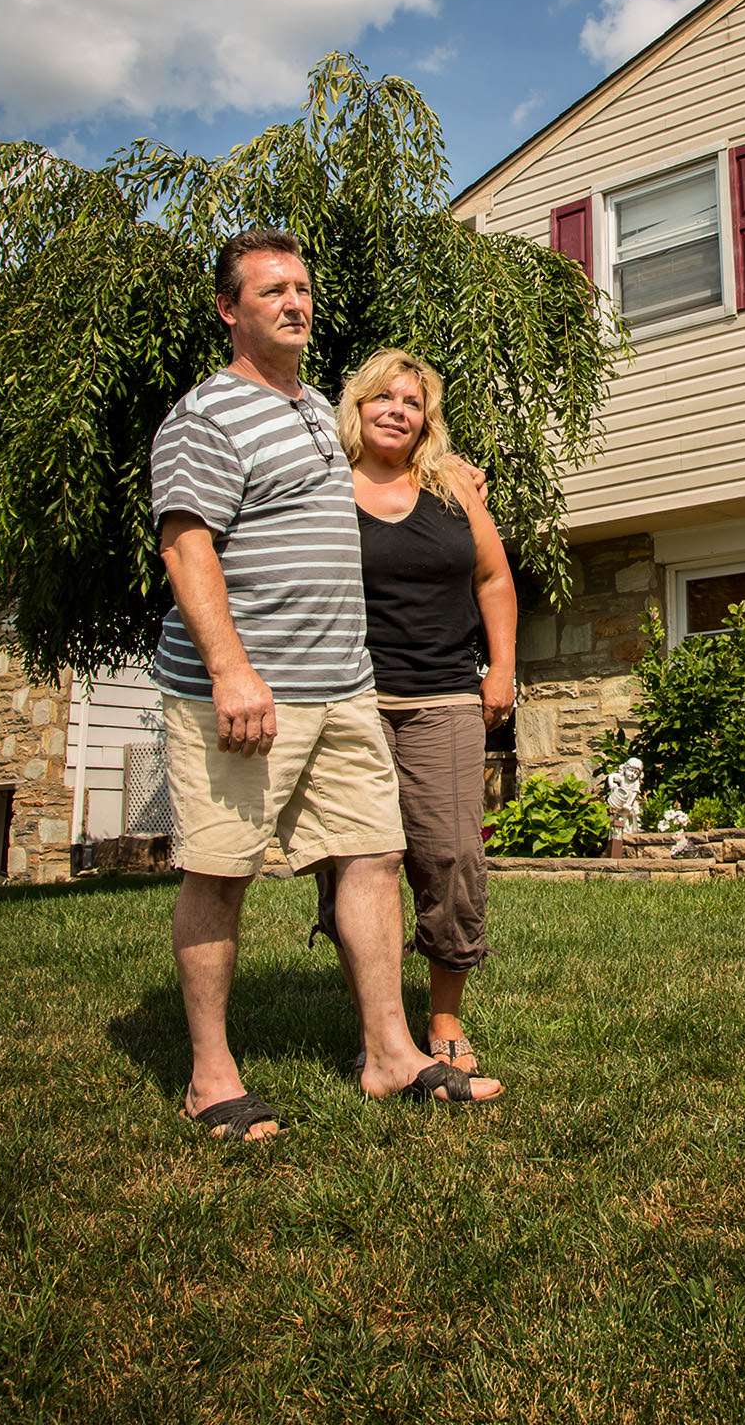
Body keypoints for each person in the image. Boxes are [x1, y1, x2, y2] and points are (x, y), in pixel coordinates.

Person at [151, 228, 502, 1139]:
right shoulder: (205, 416)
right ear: (231, 310)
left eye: (303, 288)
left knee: (374, 859)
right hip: (245, 691)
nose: (294, 303)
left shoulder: (313, 412)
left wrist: (449, 476)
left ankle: (391, 1053)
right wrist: (230, 669)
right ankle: (210, 1076)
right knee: (222, 872)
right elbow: (187, 545)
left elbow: (387, 481)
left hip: (343, 686)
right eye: (272, 291)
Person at [313, 349, 516, 1082]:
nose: (397, 410)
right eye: (383, 398)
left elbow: (492, 576)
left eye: (412, 401)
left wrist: (502, 668)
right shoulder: (322, 484)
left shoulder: (452, 486)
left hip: (443, 696)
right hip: (350, 697)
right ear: (357, 407)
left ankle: (444, 1015)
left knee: (451, 856)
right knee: (358, 865)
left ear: (427, 418)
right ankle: (380, 1030)